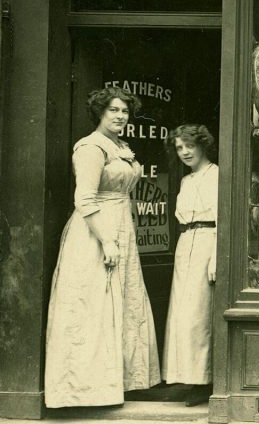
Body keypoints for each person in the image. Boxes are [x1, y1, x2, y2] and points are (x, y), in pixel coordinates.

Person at [45, 87, 161, 408]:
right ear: (100, 112)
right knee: (92, 304)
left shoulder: (120, 146)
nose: (120, 116)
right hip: (95, 232)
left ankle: (115, 385)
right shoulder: (91, 148)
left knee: (120, 301)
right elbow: (84, 198)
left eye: (124, 111)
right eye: (113, 110)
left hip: (121, 225)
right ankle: (84, 390)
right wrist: (107, 239)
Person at [163, 124, 218, 406]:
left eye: (188, 145)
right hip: (186, 244)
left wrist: (217, 256)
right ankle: (189, 377)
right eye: (179, 148)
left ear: (201, 144)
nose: (184, 152)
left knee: (199, 316)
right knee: (184, 315)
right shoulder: (186, 181)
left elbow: (223, 219)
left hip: (208, 242)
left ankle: (204, 380)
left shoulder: (217, 175)